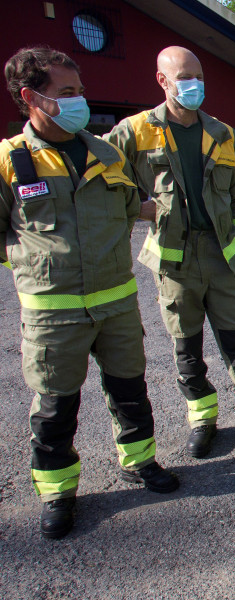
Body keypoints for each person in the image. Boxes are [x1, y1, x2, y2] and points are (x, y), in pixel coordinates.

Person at [0, 47, 179, 539]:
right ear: (30, 98)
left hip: (116, 301)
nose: (79, 101)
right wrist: (34, 265)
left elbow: (126, 211)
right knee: (56, 407)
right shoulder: (10, 160)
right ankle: (57, 492)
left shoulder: (106, 152)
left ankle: (139, 461)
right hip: (51, 314)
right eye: (67, 93)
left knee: (130, 390)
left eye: (79, 90)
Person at [106, 46, 235, 459]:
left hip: (222, 255)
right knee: (187, 345)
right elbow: (102, 178)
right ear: (162, 81)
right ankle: (203, 420)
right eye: (184, 77)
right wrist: (137, 207)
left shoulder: (223, 133)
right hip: (174, 258)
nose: (194, 85)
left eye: (198, 77)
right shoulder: (134, 130)